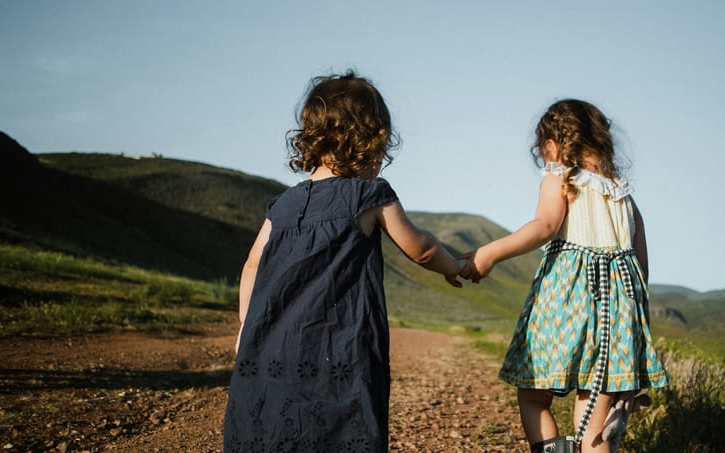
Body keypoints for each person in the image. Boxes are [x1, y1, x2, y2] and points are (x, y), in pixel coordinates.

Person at [223, 71, 463, 453]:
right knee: (339, 430)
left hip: (271, 347)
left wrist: (247, 328)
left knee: (271, 432)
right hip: (340, 347)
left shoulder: (283, 205)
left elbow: (252, 265)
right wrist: (457, 266)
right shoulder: (369, 195)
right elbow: (421, 249)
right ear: (372, 140)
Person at [460, 99, 670, 453]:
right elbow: (641, 273)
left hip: (565, 305)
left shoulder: (560, 178)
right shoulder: (626, 199)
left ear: (553, 146)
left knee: (533, 396)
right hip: (615, 320)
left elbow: (544, 226)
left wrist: (489, 253)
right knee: (592, 421)